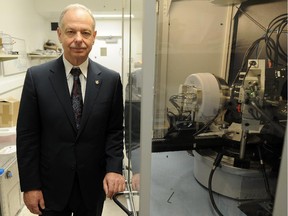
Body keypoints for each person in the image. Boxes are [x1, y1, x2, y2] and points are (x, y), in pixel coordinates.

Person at [16, 4, 125, 216]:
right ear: (59, 34)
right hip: (50, 188)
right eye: (71, 31)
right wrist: (30, 186)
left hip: (92, 186)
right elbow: (27, 136)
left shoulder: (111, 80)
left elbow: (114, 131)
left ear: (93, 37)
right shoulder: (36, 78)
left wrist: (114, 168)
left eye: (85, 33)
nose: (78, 39)